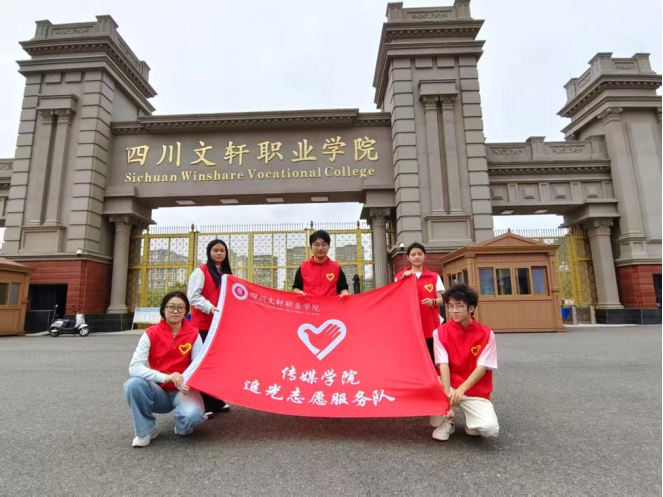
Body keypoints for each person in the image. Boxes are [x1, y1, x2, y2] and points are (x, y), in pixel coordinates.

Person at [123, 291, 207, 448]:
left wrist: (188, 382)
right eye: (171, 307)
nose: (175, 311)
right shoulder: (150, 334)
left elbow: (198, 366)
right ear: (163, 309)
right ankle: (146, 430)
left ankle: (182, 426)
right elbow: (134, 367)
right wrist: (165, 377)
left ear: (186, 311)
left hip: (183, 390)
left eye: (180, 308)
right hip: (158, 391)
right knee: (133, 384)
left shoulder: (194, 334)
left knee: (193, 416)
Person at [431, 284, 500, 442]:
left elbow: (482, 368)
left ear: (471, 308)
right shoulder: (439, 333)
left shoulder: (487, 334)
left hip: (474, 389)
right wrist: (447, 400)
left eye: (459, 306)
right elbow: (443, 365)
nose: (454, 311)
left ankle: (472, 422)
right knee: (429, 384)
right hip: (449, 384)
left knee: (488, 429)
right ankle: (446, 422)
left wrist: (461, 390)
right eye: (450, 306)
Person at [187, 239, 232, 415]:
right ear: (209, 252)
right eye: (215, 250)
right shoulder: (201, 272)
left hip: (221, 326)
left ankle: (215, 399)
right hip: (203, 326)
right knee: (203, 363)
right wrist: (210, 307)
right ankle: (204, 403)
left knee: (217, 363)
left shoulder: (226, 274)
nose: (219, 253)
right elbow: (193, 296)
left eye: (222, 250)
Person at [395, 243, 445, 364]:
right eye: (413, 255)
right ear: (408, 258)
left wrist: (432, 301)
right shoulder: (400, 276)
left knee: (431, 356)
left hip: (430, 323)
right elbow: (396, 300)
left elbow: (442, 300)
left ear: (425, 256)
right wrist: (402, 280)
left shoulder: (433, 276)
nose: (416, 257)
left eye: (419, 254)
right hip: (410, 323)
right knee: (412, 357)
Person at [293, 230, 350, 298]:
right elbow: (296, 288)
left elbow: (343, 288)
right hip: (310, 304)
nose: (320, 248)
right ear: (311, 246)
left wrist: (344, 293)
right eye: (316, 244)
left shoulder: (336, 267)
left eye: (324, 244)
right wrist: (298, 292)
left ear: (328, 246)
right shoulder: (303, 267)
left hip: (330, 304)